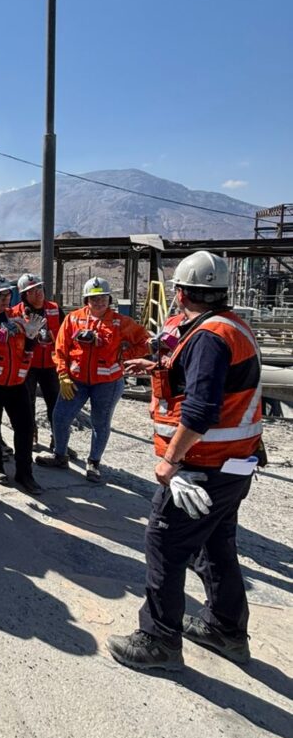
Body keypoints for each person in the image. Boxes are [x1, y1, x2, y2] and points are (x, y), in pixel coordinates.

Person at [108, 252, 262, 672]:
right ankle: (226, 629)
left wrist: (170, 462)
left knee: (165, 546)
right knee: (215, 545)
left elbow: (200, 412)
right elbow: (200, 377)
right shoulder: (226, 326)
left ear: (180, 293)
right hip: (231, 466)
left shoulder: (209, 337)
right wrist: (154, 364)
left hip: (200, 469)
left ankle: (159, 641)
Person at [39, 276, 149, 483]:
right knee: (60, 417)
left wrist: (124, 356)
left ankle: (94, 463)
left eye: (103, 298)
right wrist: (63, 374)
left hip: (107, 384)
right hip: (77, 381)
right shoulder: (73, 319)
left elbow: (144, 341)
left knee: (100, 423)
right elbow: (60, 349)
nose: (99, 303)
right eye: (94, 299)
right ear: (86, 300)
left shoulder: (120, 322)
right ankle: (60, 455)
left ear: (109, 299)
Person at [0, 273, 44, 496]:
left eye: (8, 295)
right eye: (1, 296)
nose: (6, 300)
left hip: (17, 383)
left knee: (24, 427)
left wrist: (32, 335)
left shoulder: (15, 316)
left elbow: (26, 347)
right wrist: (2, 335)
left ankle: (25, 473)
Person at [11, 273, 63, 453]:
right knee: (28, 402)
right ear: (24, 295)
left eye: (39, 288)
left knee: (56, 404)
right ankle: (31, 436)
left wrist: (53, 339)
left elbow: (65, 335)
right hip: (28, 365)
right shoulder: (16, 313)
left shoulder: (55, 309)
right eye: (31, 291)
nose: (37, 293)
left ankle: (58, 440)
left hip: (51, 364)